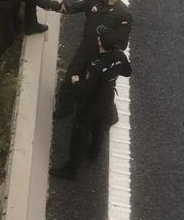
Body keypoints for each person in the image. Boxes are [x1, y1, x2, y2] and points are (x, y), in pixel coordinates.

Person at [50, 30, 132, 179]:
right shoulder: (119, 56)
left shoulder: (96, 66)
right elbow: (127, 72)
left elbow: (84, 90)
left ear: (101, 43)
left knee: (79, 136)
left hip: (89, 105)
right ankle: (94, 152)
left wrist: (75, 82)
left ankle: (70, 170)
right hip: (106, 100)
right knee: (99, 128)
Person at [55, 0, 133, 118]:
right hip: (86, 48)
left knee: (100, 87)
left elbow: (122, 42)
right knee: (71, 76)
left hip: (102, 55)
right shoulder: (95, 0)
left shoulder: (123, 15)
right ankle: (65, 107)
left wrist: (106, 47)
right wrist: (54, 6)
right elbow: (74, 6)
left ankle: (107, 113)